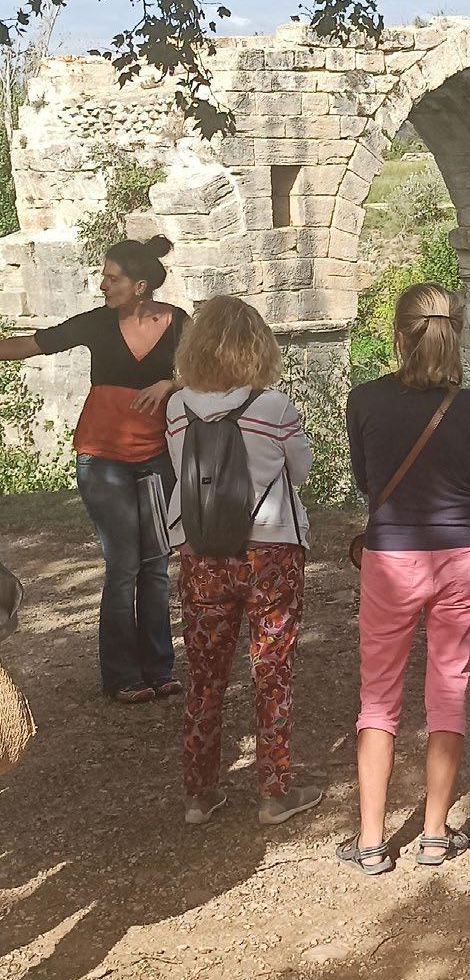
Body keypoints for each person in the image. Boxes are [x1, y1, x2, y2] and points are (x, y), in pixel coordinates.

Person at [341, 283, 470, 874]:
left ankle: (371, 840)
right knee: (448, 689)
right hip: (459, 557)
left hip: (391, 557)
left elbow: (366, 480)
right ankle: (434, 834)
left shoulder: (364, 400)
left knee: (378, 697)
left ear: (398, 335)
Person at [0, 236, 186, 703]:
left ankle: (159, 668)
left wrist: (170, 383)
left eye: (111, 278)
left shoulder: (178, 322)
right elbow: (32, 344)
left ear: (139, 286)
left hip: (156, 457)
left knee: (156, 565)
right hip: (102, 459)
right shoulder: (98, 323)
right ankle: (122, 676)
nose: (103, 285)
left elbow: (209, 369)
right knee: (123, 565)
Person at [166, 296, 322, 826]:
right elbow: (299, 472)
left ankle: (199, 794)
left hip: (201, 553)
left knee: (204, 675)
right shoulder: (274, 407)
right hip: (269, 552)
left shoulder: (176, 407)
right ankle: (274, 793)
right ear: (257, 347)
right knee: (271, 670)